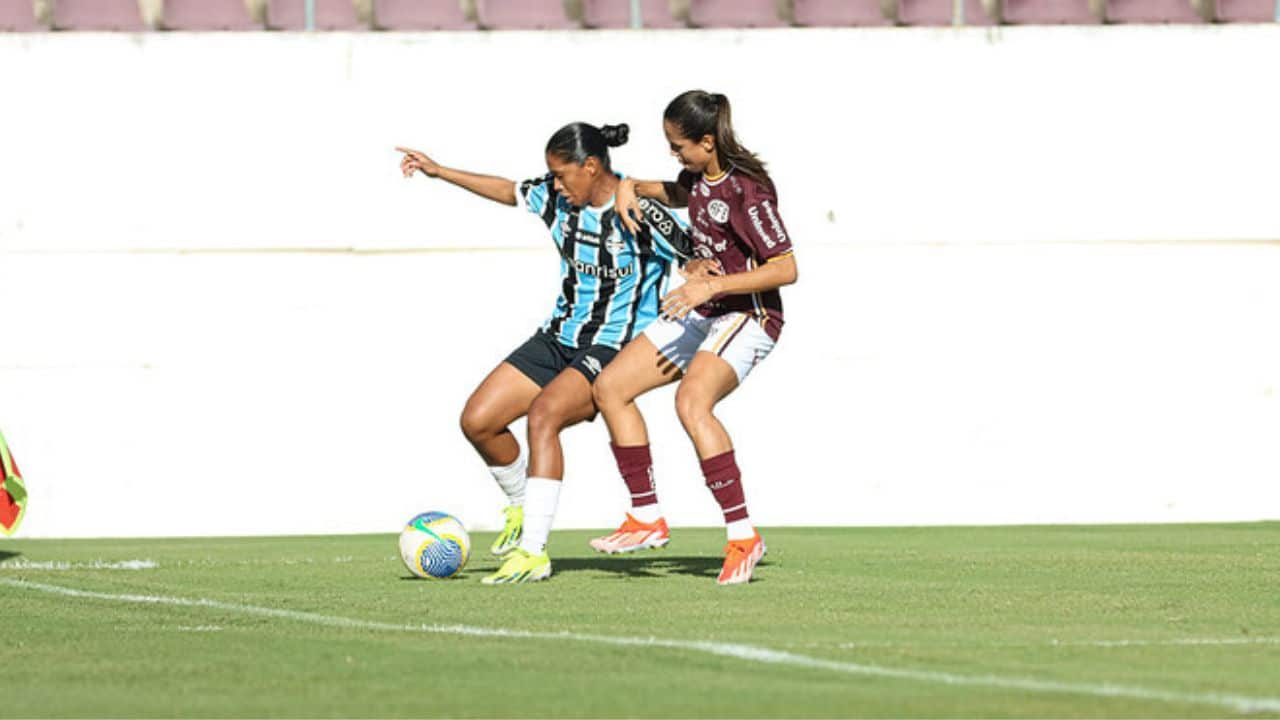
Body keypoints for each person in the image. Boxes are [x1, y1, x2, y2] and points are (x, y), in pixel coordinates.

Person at [396, 122, 690, 584]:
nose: (553, 183)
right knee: (478, 421)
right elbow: (510, 190)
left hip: (612, 345)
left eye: (560, 174)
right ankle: (520, 504)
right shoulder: (556, 199)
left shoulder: (638, 209)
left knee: (543, 417)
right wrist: (439, 171)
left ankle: (533, 551)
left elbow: (698, 259)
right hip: (557, 336)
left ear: (591, 167)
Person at [590, 91, 798, 585]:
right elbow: (675, 193)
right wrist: (631, 186)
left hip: (748, 315)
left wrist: (713, 283)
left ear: (707, 142)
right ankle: (645, 518)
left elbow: (786, 268)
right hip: (702, 308)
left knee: (692, 403)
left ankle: (743, 535)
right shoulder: (697, 178)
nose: (674, 155)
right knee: (610, 388)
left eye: (679, 146)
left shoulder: (750, 191)